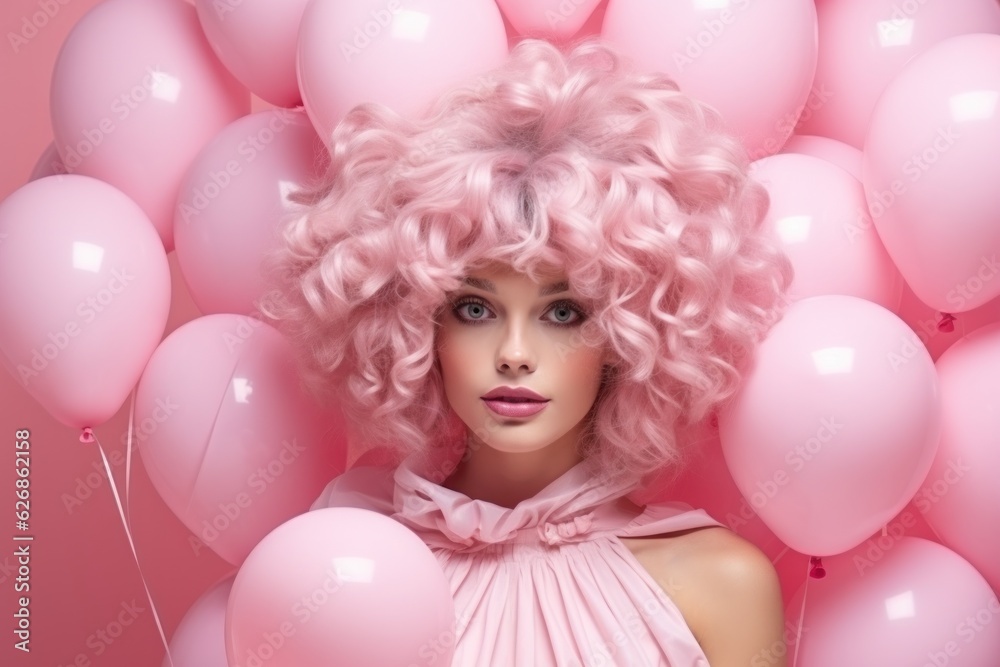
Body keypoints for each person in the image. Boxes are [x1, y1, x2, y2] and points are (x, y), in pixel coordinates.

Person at [262, 36, 793, 667]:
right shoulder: (350, 569)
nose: (515, 354)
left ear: (629, 333)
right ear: (415, 322)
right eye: (476, 309)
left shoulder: (718, 585)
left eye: (563, 313)